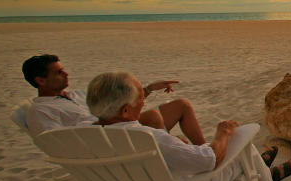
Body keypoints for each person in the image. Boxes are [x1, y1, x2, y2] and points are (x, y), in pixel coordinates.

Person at [86, 72, 273, 181]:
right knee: (241, 141)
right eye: (141, 98)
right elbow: (209, 160)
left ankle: (262, 171)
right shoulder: (148, 138)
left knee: (186, 144)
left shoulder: (86, 137)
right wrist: (221, 134)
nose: (143, 102)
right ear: (125, 111)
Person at [22, 54, 206, 143]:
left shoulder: (76, 95)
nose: (66, 74)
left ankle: (201, 149)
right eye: (59, 72)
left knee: (181, 105)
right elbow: (57, 144)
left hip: (119, 127)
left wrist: (148, 89)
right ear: (40, 80)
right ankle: (171, 154)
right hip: (107, 142)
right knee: (154, 118)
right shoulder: (41, 111)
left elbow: (116, 106)